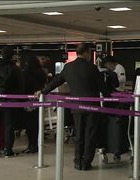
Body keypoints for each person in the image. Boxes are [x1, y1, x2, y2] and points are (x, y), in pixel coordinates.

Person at [35, 43, 107, 171]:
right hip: (92, 106)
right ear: (86, 53)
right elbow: (103, 88)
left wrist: (43, 91)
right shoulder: (92, 67)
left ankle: (77, 161)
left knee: (79, 134)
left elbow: (56, 82)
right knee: (90, 135)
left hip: (76, 106)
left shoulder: (68, 67)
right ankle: (86, 162)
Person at [22, 56, 47, 153]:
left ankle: (30, 144)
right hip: (38, 99)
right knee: (37, 123)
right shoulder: (42, 73)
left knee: (29, 124)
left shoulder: (25, 73)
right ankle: (36, 145)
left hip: (27, 100)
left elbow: (23, 86)